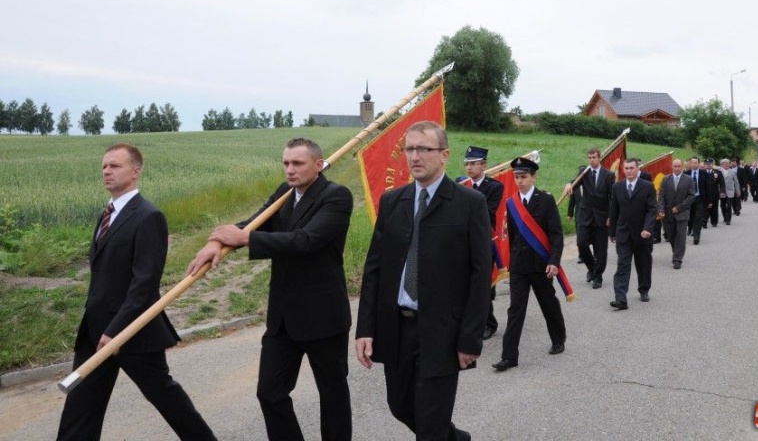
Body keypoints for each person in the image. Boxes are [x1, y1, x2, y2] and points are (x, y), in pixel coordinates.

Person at [187, 137, 353, 441]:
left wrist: (246, 239)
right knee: (270, 393)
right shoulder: (284, 193)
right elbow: (253, 224)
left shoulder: (336, 196)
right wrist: (216, 240)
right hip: (283, 319)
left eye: (298, 163)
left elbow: (306, 241)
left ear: (318, 165)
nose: (290, 169)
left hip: (323, 316)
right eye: (286, 163)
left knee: (332, 396)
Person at [58, 143, 216, 441]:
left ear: (135, 171)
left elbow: (144, 284)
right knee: (80, 407)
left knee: (166, 398)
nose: (107, 171)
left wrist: (116, 330)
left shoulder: (148, 216)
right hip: (94, 331)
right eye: (104, 166)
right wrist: (101, 328)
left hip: (133, 331)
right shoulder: (107, 214)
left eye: (115, 166)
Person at [355, 121, 491, 441]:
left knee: (430, 424)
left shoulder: (469, 204)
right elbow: (375, 269)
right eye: (410, 149)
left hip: (442, 332)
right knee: (400, 406)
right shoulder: (393, 201)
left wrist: (470, 338)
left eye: (424, 149)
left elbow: (480, 274)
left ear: (444, 155)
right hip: (397, 329)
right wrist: (365, 328)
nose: (415, 157)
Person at [493, 157, 567, 372]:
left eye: (523, 177)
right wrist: (511, 263)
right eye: (516, 177)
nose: (519, 181)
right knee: (515, 309)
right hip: (519, 266)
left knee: (548, 303)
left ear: (534, 177)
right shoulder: (511, 203)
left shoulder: (546, 200)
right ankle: (509, 356)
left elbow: (556, 235)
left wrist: (554, 261)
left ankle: (558, 339)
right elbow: (513, 236)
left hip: (541, 264)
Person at [461, 146, 504, 340]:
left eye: (473, 164)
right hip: (464, 241)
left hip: (484, 241)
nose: (469, 168)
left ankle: (489, 323)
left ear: (484, 165)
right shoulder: (461, 184)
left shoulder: (494, 187)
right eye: (466, 164)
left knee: (482, 286)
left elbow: (487, 212)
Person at [608, 157, 659, 309]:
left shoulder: (648, 186)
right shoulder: (617, 187)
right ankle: (621, 298)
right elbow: (614, 210)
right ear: (623, 170)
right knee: (622, 265)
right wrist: (612, 232)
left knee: (643, 264)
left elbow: (652, 210)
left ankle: (644, 289)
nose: (629, 171)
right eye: (626, 168)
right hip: (623, 233)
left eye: (632, 168)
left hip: (643, 234)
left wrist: (647, 228)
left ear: (638, 169)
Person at [564, 147, 615, 289]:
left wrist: (611, 216)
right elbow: (574, 183)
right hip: (585, 215)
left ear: (600, 158)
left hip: (601, 217)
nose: (591, 160)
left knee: (600, 250)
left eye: (594, 157)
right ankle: (592, 269)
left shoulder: (608, 175)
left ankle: (598, 277)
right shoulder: (584, 172)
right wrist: (569, 184)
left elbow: (612, 197)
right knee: (581, 243)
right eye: (589, 158)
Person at [658, 159, 696, 269]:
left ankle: (677, 259)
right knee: (671, 236)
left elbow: (691, 196)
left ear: (682, 167)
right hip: (668, 213)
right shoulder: (666, 179)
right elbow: (661, 195)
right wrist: (661, 209)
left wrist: (679, 208)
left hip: (682, 213)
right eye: (675, 166)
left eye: (679, 166)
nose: (677, 168)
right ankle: (676, 252)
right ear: (672, 167)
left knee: (680, 237)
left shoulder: (688, 179)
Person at [684, 157, 709, 245]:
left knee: (698, 217)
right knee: (690, 217)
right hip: (689, 199)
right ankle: (690, 228)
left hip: (700, 198)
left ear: (698, 164)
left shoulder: (704, 174)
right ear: (690, 164)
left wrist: (709, 201)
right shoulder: (686, 174)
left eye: (695, 162)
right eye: (692, 162)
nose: (694, 164)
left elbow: (708, 187)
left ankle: (696, 236)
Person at [703, 158, 724, 228]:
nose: (708, 165)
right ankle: (704, 222)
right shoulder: (702, 172)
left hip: (714, 193)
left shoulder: (717, 172)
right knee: (705, 209)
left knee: (714, 209)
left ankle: (714, 222)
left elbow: (722, 183)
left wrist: (722, 191)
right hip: (705, 194)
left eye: (710, 164)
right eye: (707, 164)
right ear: (705, 164)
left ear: (713, 164)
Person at [719, 159, 740, 225]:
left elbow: (736, 182)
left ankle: (728, 220)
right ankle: (725, 217)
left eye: (728, 163)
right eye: (725, 164)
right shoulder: (719, 171)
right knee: (722, 205)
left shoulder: (733, 172)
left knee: (729, 205)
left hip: (730, 191)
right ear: (722, 165)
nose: (727, 165)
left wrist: (738, 191)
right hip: (722, 191)